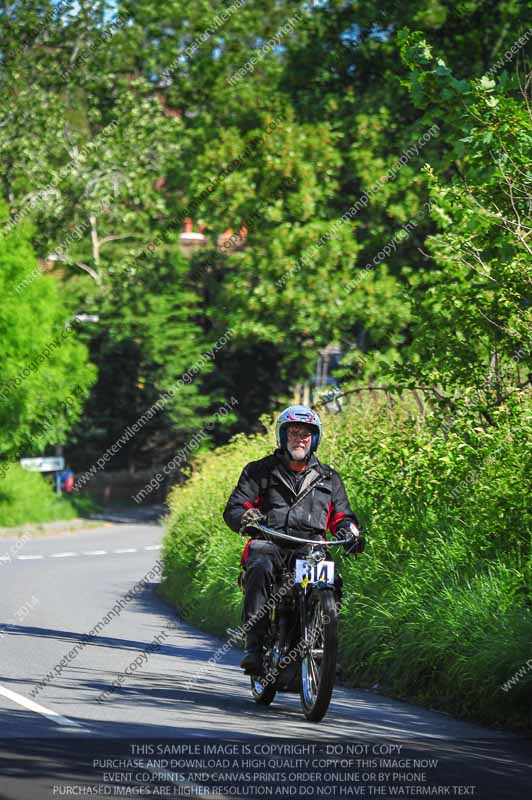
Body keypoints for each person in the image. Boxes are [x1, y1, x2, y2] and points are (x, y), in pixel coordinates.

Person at [223, 404, 364, 674]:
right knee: (260, 567)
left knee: (329, 581)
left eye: (306, 434)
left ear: (315, 438)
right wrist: (247, 518)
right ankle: (254, 646)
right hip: (269, 542)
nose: (299, 439)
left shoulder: (329, 478)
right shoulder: (258, 471)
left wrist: (350, 533)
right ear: (282, 435)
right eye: (294, 432)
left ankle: (322, 641)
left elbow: (342, 516)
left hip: (311, 547)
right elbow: (235, 507)